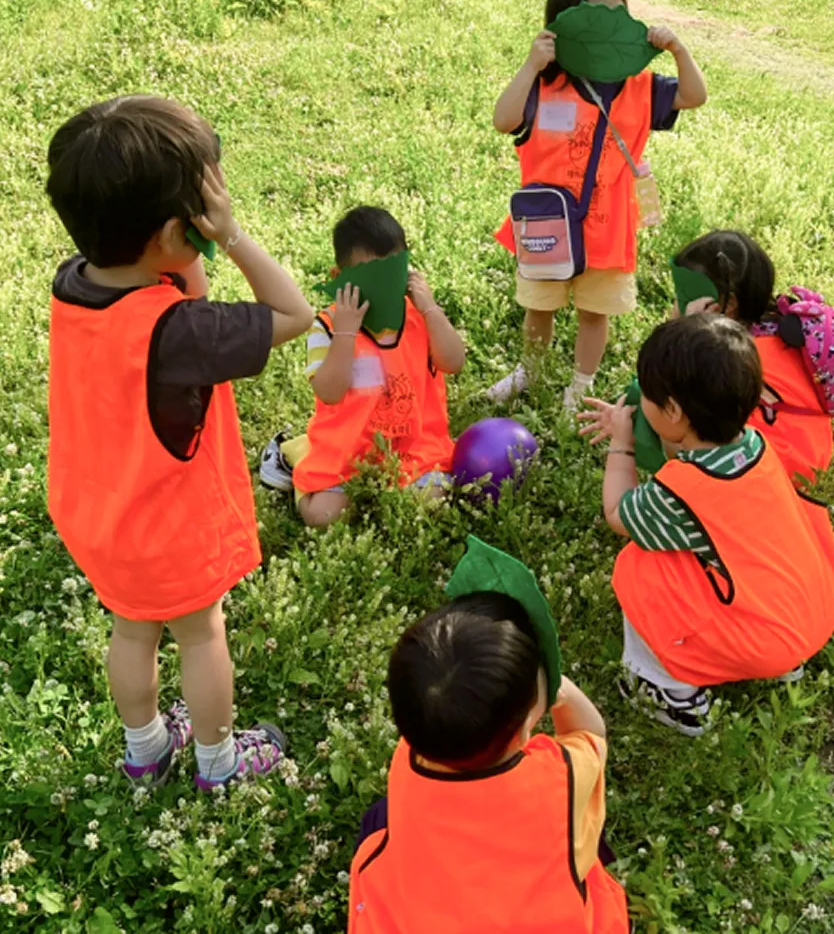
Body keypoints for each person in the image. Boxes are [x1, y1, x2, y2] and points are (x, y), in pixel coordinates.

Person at [46, 96, 314, 788]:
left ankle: (145, 753)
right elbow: (293, 313)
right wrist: (232, 236)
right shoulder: (183, 333)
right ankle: (219, 764)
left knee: (132, 630)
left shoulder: (74, 282)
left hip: (100, 515)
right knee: (201, 634)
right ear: (175, 231)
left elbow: (179, 283)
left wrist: (183, 243)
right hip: (171, 528)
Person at [578, 315, 834, 737]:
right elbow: (691, 453)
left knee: (641, 566)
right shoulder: (756, 445)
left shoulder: (678, 493)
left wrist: (621, 443)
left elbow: (617, 513)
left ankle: (672, 695)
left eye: (648, 396)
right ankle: (784, 663)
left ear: (673, 411)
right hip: (814, 609)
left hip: (767, 639)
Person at [348, 558, 628, 933]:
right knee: (584, 848)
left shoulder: (410, 756)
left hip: (414, 917)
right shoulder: (560, 779)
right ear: (526, 728)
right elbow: (591, 734)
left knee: (378, 819)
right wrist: (560, 690)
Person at [488, 0, 707, 412]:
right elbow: (503, 120)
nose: (608, 28)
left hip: (607, 229)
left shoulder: (641, 86)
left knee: (595, 312)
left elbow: (694, 96)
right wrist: (530, 65)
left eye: (617, 14)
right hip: (546, 224)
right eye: (595, 16)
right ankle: (530, 371)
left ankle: (579, 386)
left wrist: (678, 50)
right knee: (539, 305)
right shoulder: (545, 82)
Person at [259, 207, 464, 527]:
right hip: (347, 453)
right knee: (323, 516)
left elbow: (453, 361)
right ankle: (296, 454)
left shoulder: (420, 317)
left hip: (414, 449)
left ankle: (308, 451)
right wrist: (346, 333)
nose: (384, 290)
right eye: (371, 279)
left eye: (392, 275)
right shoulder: (327, 327)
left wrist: (430, 308)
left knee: (429, 506)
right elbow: (329, 392)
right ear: (339, 278)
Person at [668, 231, 834, 485]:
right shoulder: (774, 326)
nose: (675, 305)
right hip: (810, 450)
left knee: (668, 414)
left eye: (683, 295)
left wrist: (681, 331)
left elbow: (666, 378)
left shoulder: (728, 352)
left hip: (774, 467)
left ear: (727, 305)